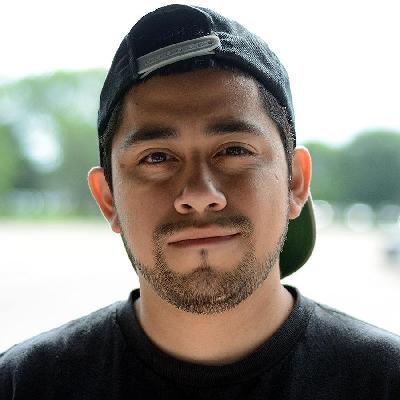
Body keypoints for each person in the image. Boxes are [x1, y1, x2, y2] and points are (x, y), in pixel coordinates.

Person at [1, 4, 399, 399]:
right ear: (109, 200)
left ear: (295, 182)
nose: (199, 195)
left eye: (234, 150)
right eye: (157, 158)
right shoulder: (25, 385)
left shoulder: (384, 382)